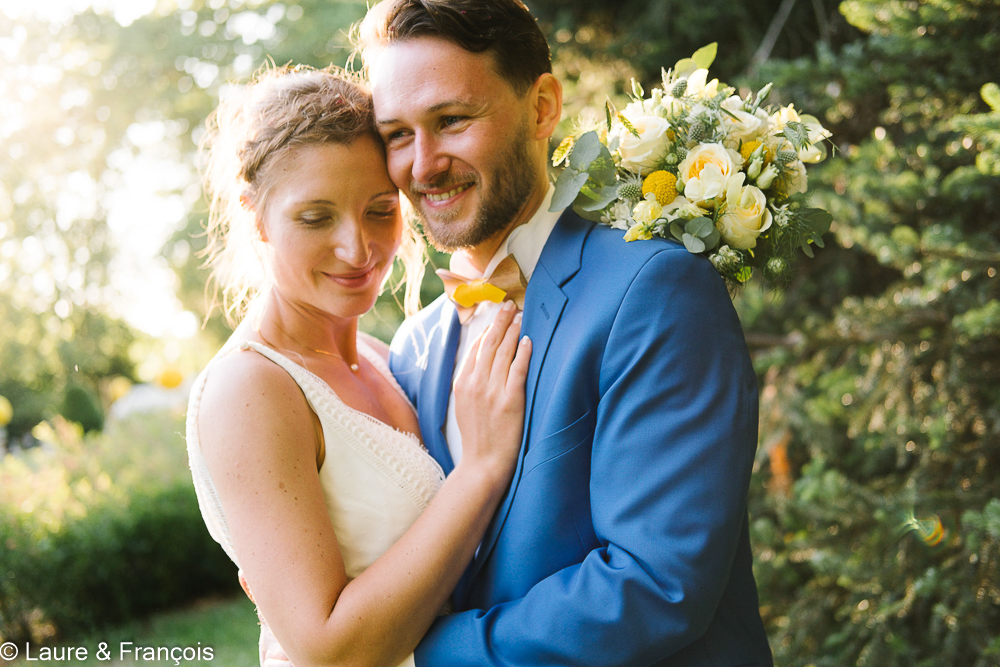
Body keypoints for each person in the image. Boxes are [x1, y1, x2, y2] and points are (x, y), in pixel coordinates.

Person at [355, 0, 775, 664]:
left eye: (452, 120)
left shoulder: (655, 290)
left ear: (543, 107)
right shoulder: (415, 346)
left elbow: (656, 585)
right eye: (398, 134)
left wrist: (423, 655)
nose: (424, 164)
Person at [185, 63, 533, 667]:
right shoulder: (250, 387)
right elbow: (328, 649)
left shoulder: (383, 356)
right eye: (316, 217)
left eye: (378, 210)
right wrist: (480, 469)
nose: (358, 249)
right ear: (255, 215)